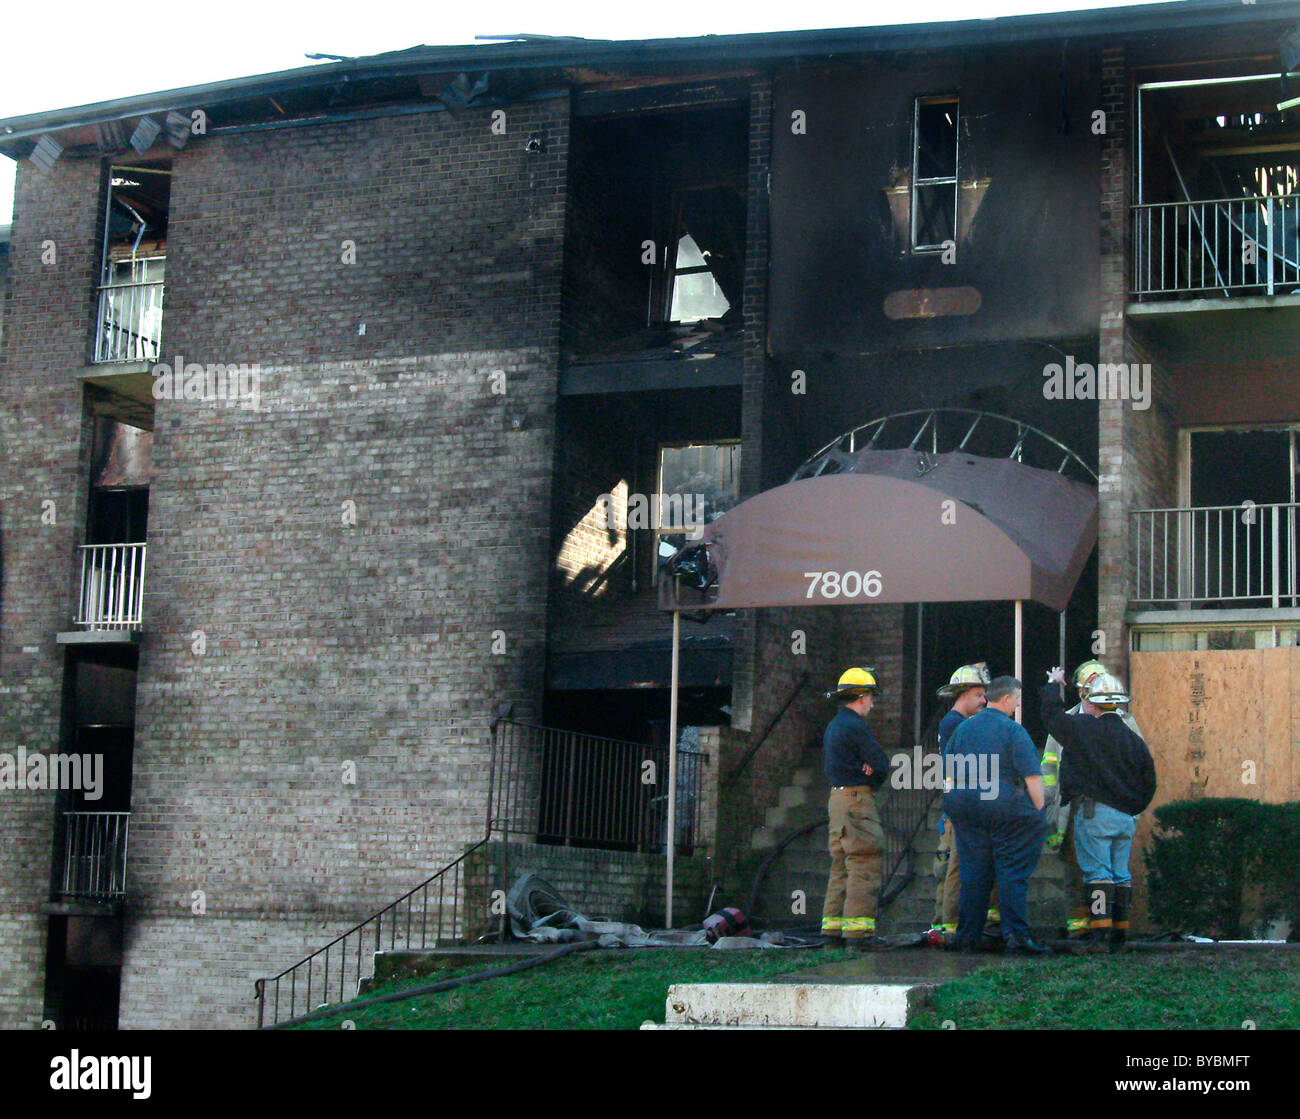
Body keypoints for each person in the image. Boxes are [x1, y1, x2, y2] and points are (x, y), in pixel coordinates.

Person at [1041, 668, 1157, 951]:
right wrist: (1133, 808)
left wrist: (1052, 685)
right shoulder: (1133, 739)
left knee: (1098, 874)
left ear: (1091, 701)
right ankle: (1120, 936)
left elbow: (1052, 717)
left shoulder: (1082, 727)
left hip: (1094, 814)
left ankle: (1099, 937)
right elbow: (1149, 780)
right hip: (1125, 818)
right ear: (1117, 703)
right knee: (1121, 875)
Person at [943, 676, 1051, 955]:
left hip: (964, 805)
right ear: (1006, 699)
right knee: (1012, 872)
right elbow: (1032, 778)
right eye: (1016, 700)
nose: (1017, 706)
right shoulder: (1013, 731)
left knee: (974, 873)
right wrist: (1038, 811)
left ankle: (967, 937)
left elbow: (948, 773)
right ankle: (1016, 937)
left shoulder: (962, 729)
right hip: (1003, 807)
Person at [820, 666, 889, 948]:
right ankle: (858, 935)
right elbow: (882, 765)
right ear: (861, 697)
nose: (873, 703)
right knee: (863, 863)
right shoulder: (856, 726)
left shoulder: (835, 725)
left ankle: (832, 932)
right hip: (857, 801)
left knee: (840, 866)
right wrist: (870, 772)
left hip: (836, 801)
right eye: (871, 697)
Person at [929, 663, 998, 938]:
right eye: (980, 695)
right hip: (962, 806)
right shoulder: (955, 724)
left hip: (960, 804)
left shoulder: (957, 723)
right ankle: (951, 926)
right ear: (965, 693)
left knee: (954, 867)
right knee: (957, 866)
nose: (983, 701)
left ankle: (945, 924)